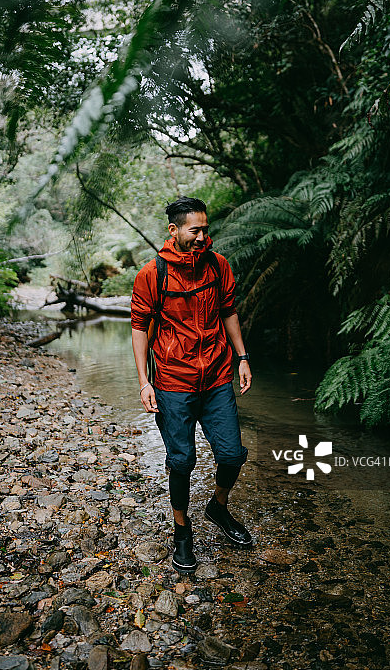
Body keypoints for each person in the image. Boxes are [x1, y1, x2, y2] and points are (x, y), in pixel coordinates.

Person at [131, 196, 252, 573]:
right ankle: (182, 532)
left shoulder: (218, 266)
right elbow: (139, 327)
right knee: (182, 461)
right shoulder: (152, 274)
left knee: (232, 454)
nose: (202, 236)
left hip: (216, 376)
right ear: (174, 230)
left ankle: (218, 506)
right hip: (173, 380)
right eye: (194, 229)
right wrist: (144, 382)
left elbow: (228, 311)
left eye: (205, 229)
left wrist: (242, 357)